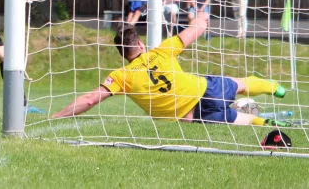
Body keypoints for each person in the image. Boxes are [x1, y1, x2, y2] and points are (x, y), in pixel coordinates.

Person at [51, 16, 289, 127]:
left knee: (239, 119)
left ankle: (266, 122)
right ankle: (275, 87)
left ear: (123, 55)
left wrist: (58, 116)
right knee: (240, 84)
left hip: (191, 115)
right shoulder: (163, 50)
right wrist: (202, 18)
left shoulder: (122, 76)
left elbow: (91, 98)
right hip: (205, 90)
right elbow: (194, 30)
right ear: (141, 45)